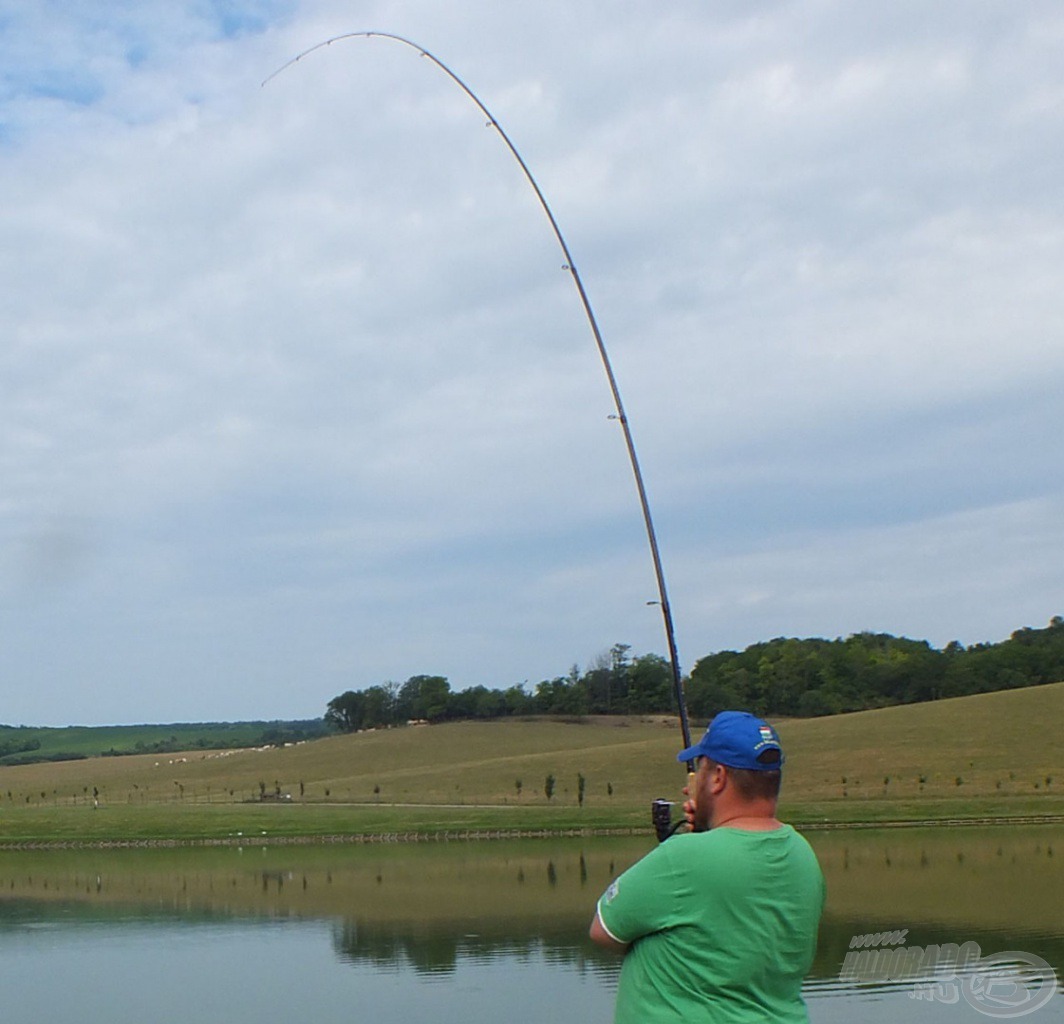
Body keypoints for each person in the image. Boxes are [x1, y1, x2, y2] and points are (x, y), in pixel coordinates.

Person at [590, 711, 825, 1023]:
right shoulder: (803, 855)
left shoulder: (683, 857)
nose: (690, 787)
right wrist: (707, 832)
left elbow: (605, 930)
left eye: (699, 770)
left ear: (718, 777)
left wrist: (696, 839)